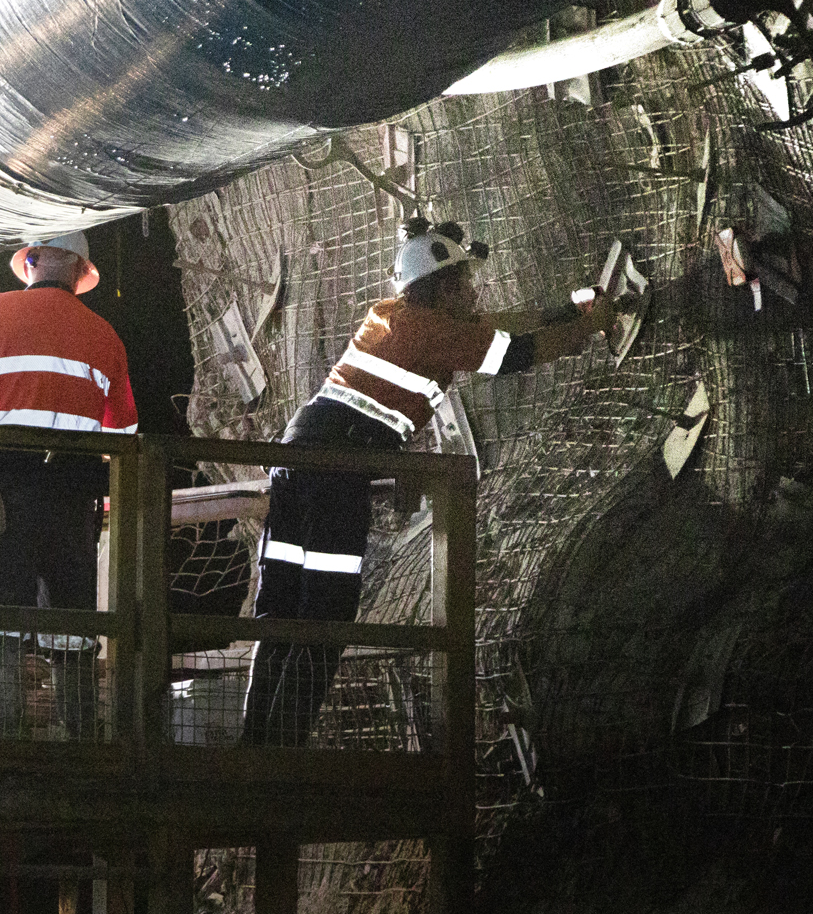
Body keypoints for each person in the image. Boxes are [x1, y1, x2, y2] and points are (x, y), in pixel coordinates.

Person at [242, 217, 613, 746]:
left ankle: (256, 747)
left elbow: (495, 325)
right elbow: (512, 353)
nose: (473, 292)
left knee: (280, 608)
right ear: (441, 288)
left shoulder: (395, 315)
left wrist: (566, 311)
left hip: (297, 454)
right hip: (336, 466)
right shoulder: (432, 331)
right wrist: (590, 327)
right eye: (464, 282)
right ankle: (281, 751)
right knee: (326, 614)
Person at [0, 232, 138, 740]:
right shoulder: (106, 337)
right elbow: (125, 434)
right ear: (80, 271)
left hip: (4, 485)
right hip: (74, 495)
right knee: (72, 617)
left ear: (32, 259)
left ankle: (6, 737)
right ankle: (79, 740)